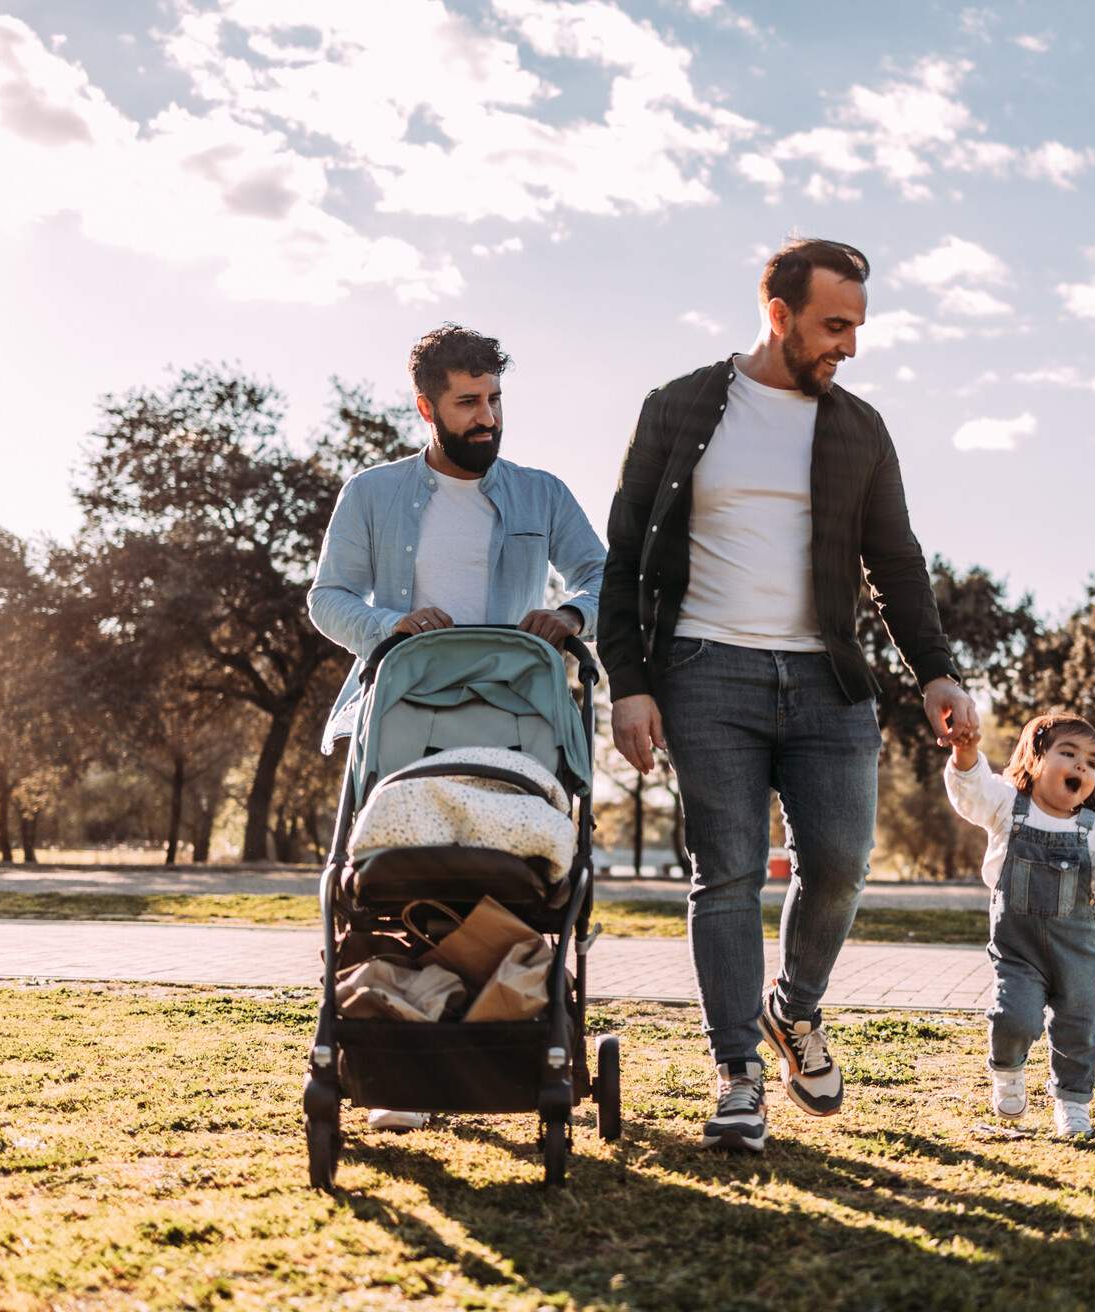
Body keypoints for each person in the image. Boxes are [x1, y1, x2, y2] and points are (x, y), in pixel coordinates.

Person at [599, 237, 980, 1153]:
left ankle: (793, 1008)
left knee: (844, 860)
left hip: (826, 678)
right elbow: (625, 559)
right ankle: (737, 1075)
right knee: (725, 872)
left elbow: (895, 560)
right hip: (705, 673)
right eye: (832, 325)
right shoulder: (681, 407)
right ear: (779, 315)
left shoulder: (858, 427)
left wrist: (935, 669)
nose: (847, 345)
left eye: (856, 326)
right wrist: (631, 685)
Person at [308, 323, 606, 1129]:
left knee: (506, 872)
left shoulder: (540, 492)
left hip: (517, 720)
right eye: (468, 403)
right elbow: (326, 598)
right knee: (406, 875)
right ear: (427, 407)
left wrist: (573, 613)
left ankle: (510, 1034)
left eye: (495, 400)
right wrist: (393, 625)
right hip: (408, 714)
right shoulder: (372, 494)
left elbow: (599, 568)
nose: (487, 418)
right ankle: (403, 1046)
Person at [943, 711, 1095, 1138]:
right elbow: (973, 795)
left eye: (1092, 762)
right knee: (1013, 1017)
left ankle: (1073, 1103)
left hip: (1076, 956)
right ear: (1036, 759)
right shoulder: (1009, 807)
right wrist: (966, 754)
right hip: (1018, 951)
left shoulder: (1094, 831)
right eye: (1069, 753)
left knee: (1080, 1027)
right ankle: (1007, 1072)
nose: (1082, 766)